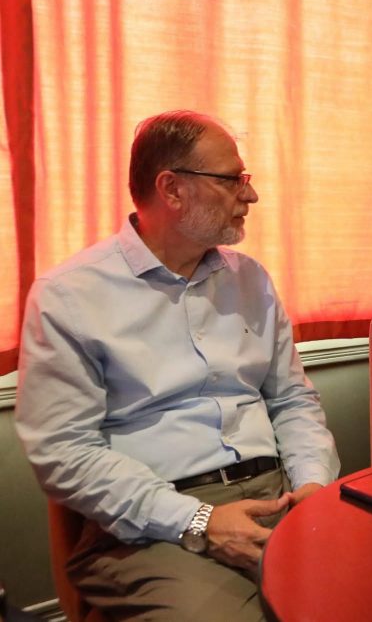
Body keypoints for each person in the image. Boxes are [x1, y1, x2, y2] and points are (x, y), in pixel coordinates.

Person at [15, 111, 340, 621]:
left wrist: (313, 488)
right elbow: (65, 452)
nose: (251, 195)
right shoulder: (69, 296)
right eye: (232, 179)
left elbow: (292, 400)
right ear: (172, 189)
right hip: (152, 525)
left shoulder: (250, 280)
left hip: (278, 495)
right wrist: (200, 520)